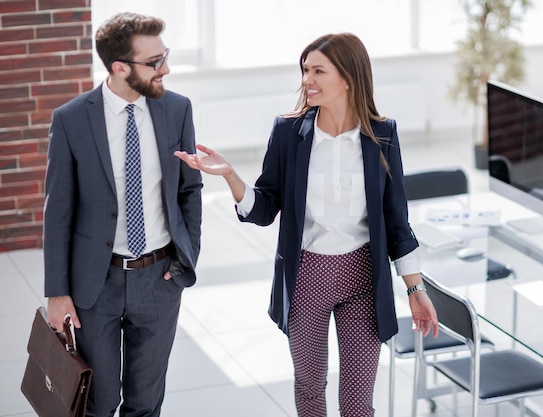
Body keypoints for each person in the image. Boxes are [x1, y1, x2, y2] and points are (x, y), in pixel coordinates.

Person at [175, 33, 438, 417]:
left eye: (318, 70)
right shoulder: (288, 133)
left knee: (358, 401)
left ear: (348, 77)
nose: (306, 80)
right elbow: (265, 208)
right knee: (310, 388)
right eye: (304, 70)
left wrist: (415, 287)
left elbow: (397, 220)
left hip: (364, 277)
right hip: (307, 277)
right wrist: (231, 176)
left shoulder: (382, 135)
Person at [43, 12, 203, 417]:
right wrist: (57, 292)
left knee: (145, 404)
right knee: (98, 403)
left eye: (164, 56)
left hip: (160, 279)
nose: (165, 69)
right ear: (119, 67)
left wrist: (187, 260)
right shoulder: (72, 119)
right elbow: (58, 211)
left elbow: (189, 190)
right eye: (153, 62)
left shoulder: (177, 110)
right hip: (95, 285)